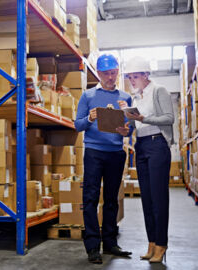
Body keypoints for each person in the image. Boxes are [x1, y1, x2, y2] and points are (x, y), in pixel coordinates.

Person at [74, 53, 133, 264]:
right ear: (98, 74)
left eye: (114, 73)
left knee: (111, 199)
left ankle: (110, 242)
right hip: (94, 152)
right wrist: (89, 118)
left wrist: (127, 131)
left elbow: (131, 127)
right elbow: (77, 125)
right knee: (90, 199)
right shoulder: (88, 96)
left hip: (116, 153)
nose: (111, 77)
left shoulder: (125, 98)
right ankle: (92, 247)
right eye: (106, 73)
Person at [120, 56, 174, 264]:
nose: (132, 81)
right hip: (141, 146)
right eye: (130, 77)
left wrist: (142, 118)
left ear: (146, 75)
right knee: (147, 199)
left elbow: (169, 118)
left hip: (158, 145)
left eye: (135, 77)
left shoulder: (159, 91)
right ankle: (151, 242)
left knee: (159, 199)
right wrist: (126, 130)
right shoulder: (136, 98)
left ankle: (162, 244)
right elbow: (135, 126)